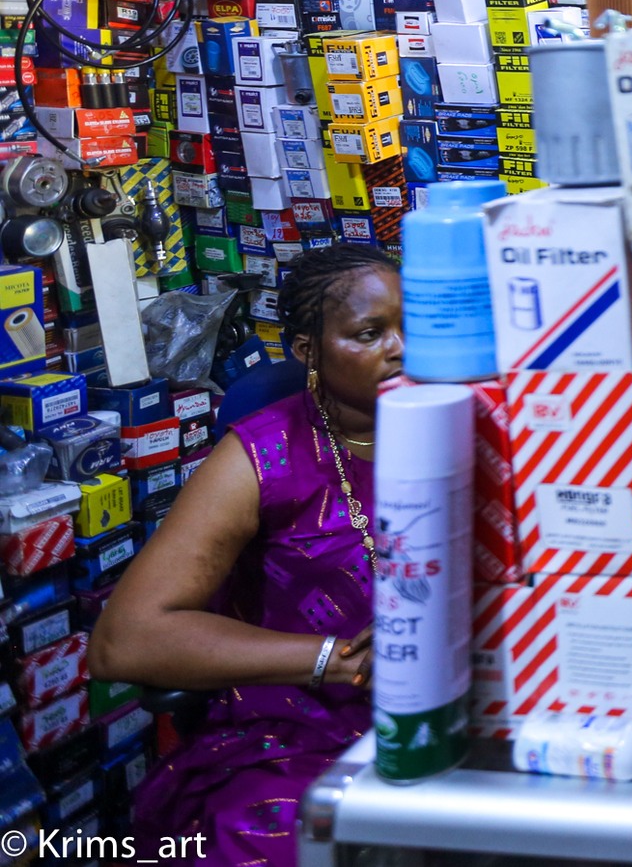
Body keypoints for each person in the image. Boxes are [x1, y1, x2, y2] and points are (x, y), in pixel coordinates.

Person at [91, 244, 403, 866]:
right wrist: (334, 660)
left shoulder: (469, 425)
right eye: (369, 333)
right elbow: (125, 641)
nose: (400, 348)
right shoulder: (262, 456)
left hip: (461, 706)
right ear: (306, 351)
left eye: (411, 326)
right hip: (308, 725)